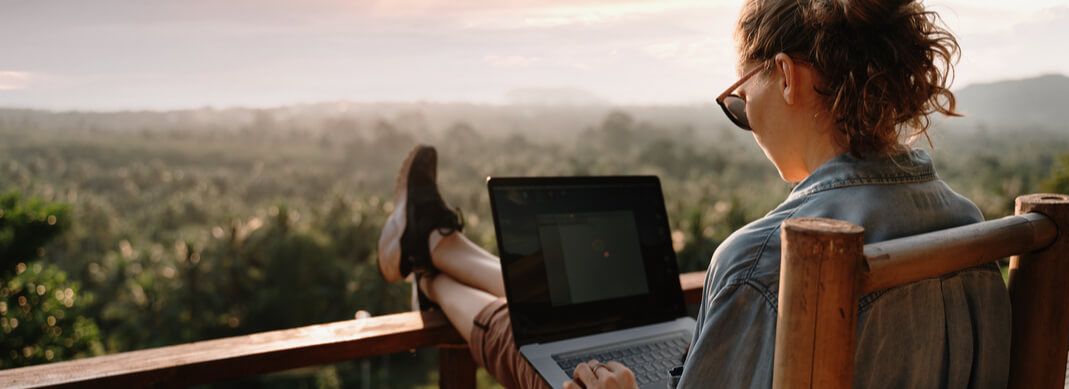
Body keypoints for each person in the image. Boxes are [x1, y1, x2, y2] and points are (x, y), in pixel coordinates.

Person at [376, 0, 1011, 387]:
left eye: (741, 98)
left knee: (526, 337)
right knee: (555, 321)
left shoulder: (769, 258)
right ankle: (439, 247)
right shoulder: (969, 226)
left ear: (785, 77)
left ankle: (429, 268)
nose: (746, 117)